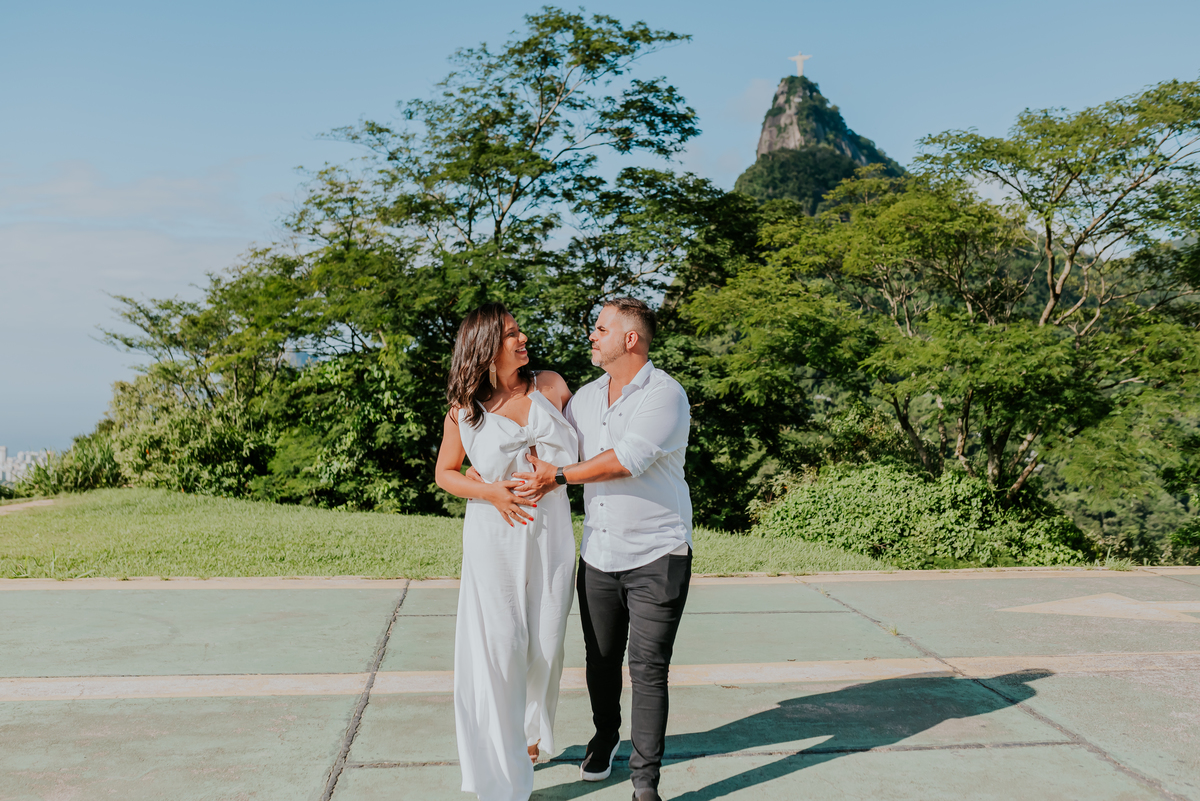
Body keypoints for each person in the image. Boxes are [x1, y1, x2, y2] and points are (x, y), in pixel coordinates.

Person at [513, 297, 692, 801]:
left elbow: (627, 459)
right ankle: (606, 734)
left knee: (649, 669)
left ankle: (645, 783)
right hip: (598, 554)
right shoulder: (586, 398)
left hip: (660, 551)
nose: (592, 335)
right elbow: (549, 434)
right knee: (600, 659)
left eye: (601, 328)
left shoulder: (665, 394)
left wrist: (560, 476)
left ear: (629, 339)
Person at [434, 303, 577, 801]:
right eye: (511, 334)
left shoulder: (553, 386)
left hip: (553, 531)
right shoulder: (465, 409)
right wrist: (492, 492)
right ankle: (506, 776)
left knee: (547, 644)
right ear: (485, 348)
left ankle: (532, 733)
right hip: (494, 536)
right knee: (501, 647)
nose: (522, 339)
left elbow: (589, 449)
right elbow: (445, 473)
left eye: (519, 331)